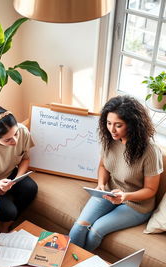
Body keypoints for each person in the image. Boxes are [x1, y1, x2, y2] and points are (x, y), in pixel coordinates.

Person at [69, 95, 163, 252]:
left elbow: (151, 190)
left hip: (136, 204)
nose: (112, 129)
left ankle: (79, 266)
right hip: (109, 193)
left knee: (95, 231)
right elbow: (103, 167)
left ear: (132, 125)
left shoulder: (150, 151)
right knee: (79, 226)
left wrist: (125, 196)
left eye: (118, 125)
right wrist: (101, 184)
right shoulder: (110, 139)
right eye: (108, 123)